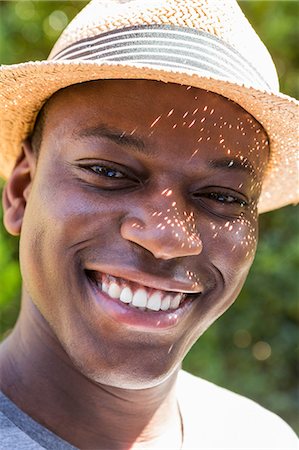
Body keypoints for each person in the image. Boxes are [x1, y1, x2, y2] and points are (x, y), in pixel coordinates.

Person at [0, 0, 298, 449]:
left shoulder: (261, 438)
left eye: (221, 197)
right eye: (109, 171)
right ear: (22, 190)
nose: (167, 238)